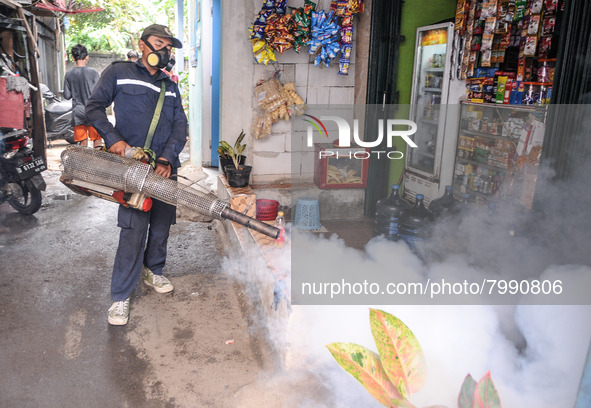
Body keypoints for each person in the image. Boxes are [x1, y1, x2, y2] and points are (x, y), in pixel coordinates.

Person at [86, 24, 188, 326]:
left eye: (169, 47)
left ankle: (153, 270)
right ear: (141, 45)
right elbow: (94, 108)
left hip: (165, 169)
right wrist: (114, 139)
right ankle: (120, 295)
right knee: (133, 230)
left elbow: (179, 125)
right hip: (132, 169)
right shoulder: (118, 72)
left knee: (161, 224)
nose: (164, 51)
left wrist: (168, 158)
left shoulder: (171, 85)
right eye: (159, 43)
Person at [63, 44, 102, 148]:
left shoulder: (69, 74)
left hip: (78, 113)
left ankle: (84, 164)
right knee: (97, 142)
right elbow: (99, 93)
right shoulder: (93, 73)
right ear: (87, 57)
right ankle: (98, 164)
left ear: (72, 58)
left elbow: (67, 95)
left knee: (82, 144)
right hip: (93, 111)